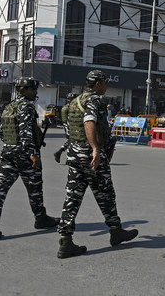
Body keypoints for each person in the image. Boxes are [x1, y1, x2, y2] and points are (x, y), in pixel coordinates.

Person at [56, 70, 137, 259]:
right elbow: (89, 122)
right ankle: (116, 231)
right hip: (90, 157)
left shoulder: (75, 101)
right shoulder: (94, 100)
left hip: (75, 156)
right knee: (106, 194)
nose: (106, 86)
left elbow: (71, 129)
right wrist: (95, 149)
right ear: (98, 83)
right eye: (105, 83)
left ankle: (65, 240)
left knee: (72, 198)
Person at [0, 77, 59, 241]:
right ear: (24, 90)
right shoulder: (26, 107)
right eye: (33, 89)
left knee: (0, 189)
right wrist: (32, 154)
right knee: (35, 188)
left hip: (8, 152)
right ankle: (40, 218)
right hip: (25, 154)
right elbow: (26, 132)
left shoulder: (8, 107)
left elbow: (3, 133)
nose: (35, 92)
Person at [54, 93, 78, 163]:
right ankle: (62, 153)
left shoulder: (67, 106)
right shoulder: (70, 107)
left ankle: (63, 154)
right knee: (71, 140)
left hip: (68, 125)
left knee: (71, 141)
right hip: (69, 126)